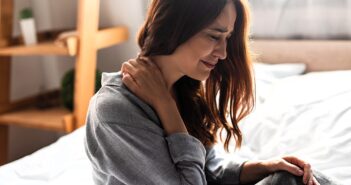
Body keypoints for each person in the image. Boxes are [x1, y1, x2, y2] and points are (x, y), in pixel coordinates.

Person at [84, 0, 337, 184]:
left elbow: (209, 170)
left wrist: (261, 167)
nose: (224, 53)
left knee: (293, 175)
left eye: (227, 38)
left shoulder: (183, 88)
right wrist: (167, 109)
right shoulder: (113, 112)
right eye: (214, 36)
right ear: (175, 27)